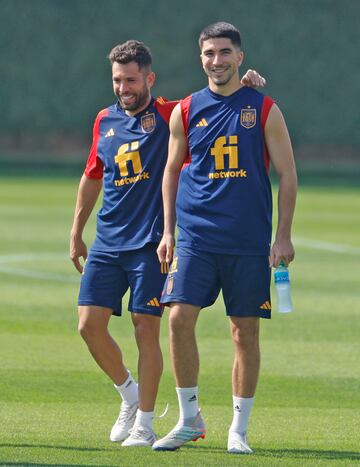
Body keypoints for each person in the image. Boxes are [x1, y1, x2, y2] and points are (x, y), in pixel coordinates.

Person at [70, 39, 265, 448]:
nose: (124, 88)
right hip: (107, 240)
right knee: (88, 326)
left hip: (151, 243)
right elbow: (92, 175)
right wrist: (76, 231)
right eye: (117, 80)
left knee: (148, 328)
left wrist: (246, 85)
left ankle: (145, 423)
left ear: (149, 79)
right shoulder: (103, 119)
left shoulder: (167, 112)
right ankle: (129, 394)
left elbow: (214, 101)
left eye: (131, 80)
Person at [153, 22, 297, 454]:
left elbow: (288, 174)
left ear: (240, 57)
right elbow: (171, 170)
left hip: (247, 240)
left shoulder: (264, 107)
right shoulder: (185, 110)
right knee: (178, 319)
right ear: (201, 58)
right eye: (209, 53)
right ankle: (189, 418)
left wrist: (283, 237)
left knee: (244, 332)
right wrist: (167, 231)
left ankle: (239, 429)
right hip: (196, 236)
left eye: (224, 53)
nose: (216, 61)